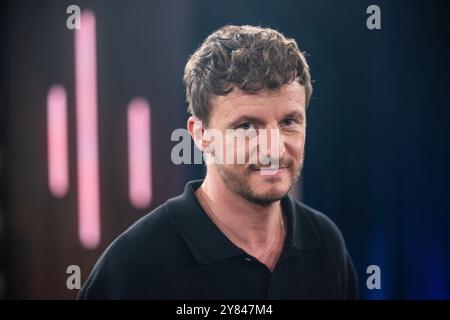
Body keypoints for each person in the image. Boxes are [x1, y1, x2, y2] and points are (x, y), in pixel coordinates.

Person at [78, 25, 358, 299]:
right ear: (200, 135)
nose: (273, 147)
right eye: (247, 126)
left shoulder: (325, 244)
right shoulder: (134, 267)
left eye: (288, 122)